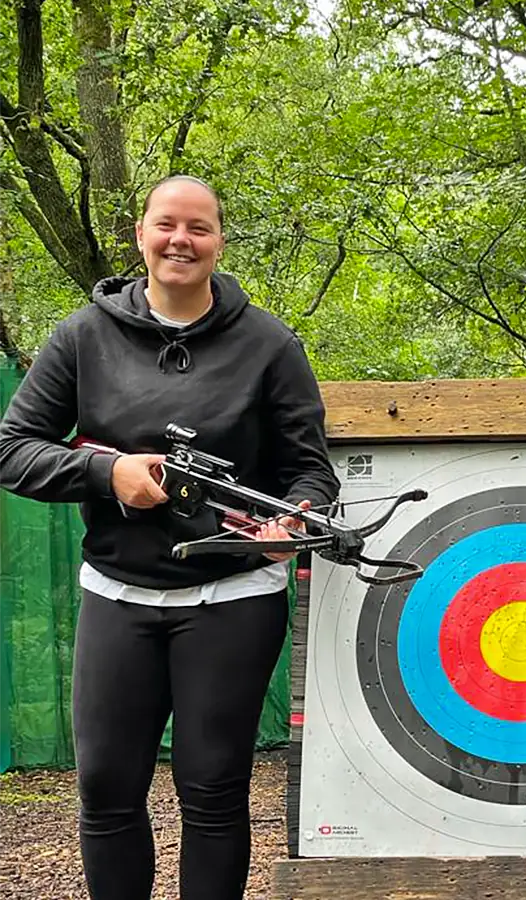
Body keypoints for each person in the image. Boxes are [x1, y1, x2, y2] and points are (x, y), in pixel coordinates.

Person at [0, 174, 340, 899]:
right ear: (141, 234)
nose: (180, 240)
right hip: (117, 595)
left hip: (233, 598)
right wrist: (107, 472)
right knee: (105, 786)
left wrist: (288, 523)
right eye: (166, 224)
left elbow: (310, 472)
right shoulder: (82, 335)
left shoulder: (271, 344)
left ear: (219, 241)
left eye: (199, 227)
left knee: (214, 787)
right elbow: (13, 447)